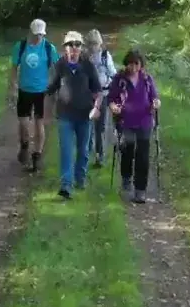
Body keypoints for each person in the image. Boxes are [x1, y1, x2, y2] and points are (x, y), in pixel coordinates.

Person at [44, 30, 104, 199]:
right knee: (66, 150)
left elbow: (98, 91)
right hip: (65, 116)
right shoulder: (60, 66)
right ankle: (66, 185)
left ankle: (80, 177)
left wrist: (96, 108)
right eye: (70, 44)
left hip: (85, 115)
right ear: (65, 48)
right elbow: (50, 90)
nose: (74, 48)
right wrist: (47, 113)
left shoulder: (88, 65)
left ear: (81, 48)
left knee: (84, 150)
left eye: (77, 44)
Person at [109, 49, 161, 204]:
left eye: (136, 64)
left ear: (141, 65)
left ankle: (140, 190)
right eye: (130, 64)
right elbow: (111, 98)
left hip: (145, 120)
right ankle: (126, 176)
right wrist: (113, 107)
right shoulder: (119, 79)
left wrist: (156, 103)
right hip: (125, 122)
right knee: (127, 150)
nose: (133, 67)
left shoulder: (146, 79)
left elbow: (155, 97)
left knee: (143, 155)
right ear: (126, 64)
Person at [8, 18, 59, 173]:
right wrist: (12, 86)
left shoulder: (49, 48)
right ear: (30, 32)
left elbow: (56, 69)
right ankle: (24, 144)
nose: (39, 37)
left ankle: (37, 155)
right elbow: (13, 67)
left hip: (41, 92)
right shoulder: (21, 46)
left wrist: (54, 88)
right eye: (36, 34)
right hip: (24, 90)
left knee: (39, 124)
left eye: (41, 34)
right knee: (23, 123)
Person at [84, 29, 119, 169]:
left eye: (96, 44)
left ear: (100, 44)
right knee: (87, 125)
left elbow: (113, 74)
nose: (93, 47)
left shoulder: (105, 56)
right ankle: (87, 152)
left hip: (103, 96)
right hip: (88, 96)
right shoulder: (85, 57)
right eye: (91, 44)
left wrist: (109, 85)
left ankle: (100, 155)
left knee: (101, 127)